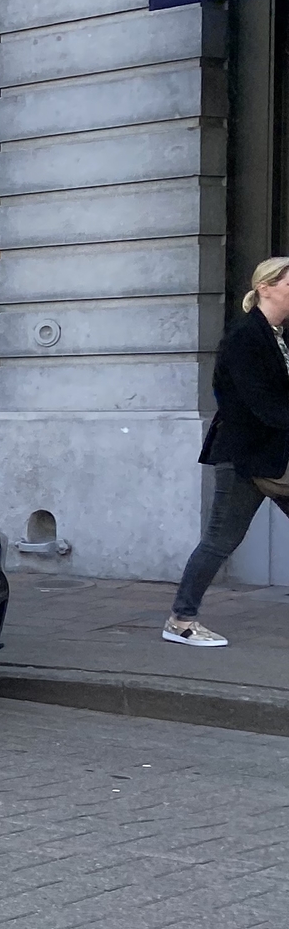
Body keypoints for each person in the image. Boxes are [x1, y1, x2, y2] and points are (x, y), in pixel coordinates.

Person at [165, 255, 289, 647]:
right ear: (266, 287)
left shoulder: (280, 336)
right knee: (220, 541)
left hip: (276, 456)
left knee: (220, 539)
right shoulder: (244, 336)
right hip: (243, 457)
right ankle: (181, 620)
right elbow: (256, 402)